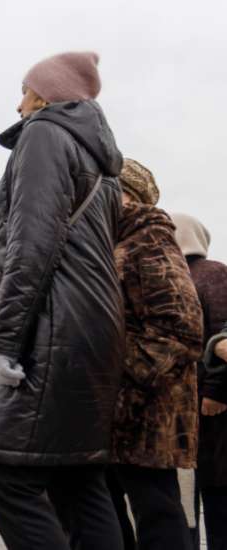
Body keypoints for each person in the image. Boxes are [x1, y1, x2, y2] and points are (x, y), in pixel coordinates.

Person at [0, 51, 126, 550]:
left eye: (25, 91)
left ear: (46, 95)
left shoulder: (44, 133)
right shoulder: (101, 161)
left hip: (53, 327)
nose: (19, 104)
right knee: (75, 478)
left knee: (1, 472)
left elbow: (33, 245)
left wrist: (5, 341)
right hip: (96, 328)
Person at [107, 159, 203, 550]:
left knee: (156, 512)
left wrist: (126, 387)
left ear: (131, 195)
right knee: (111, 512)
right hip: (116, 406)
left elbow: (181, 327)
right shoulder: (114, 241)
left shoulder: (149, 235)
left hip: (148, 409)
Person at [173, 213, 227, 550]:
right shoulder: (179, 275)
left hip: (210, 409)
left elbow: (224, 333)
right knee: (188, 496)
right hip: (187, 407)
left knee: (216, 494)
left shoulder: (214, 274)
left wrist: (217, 391)